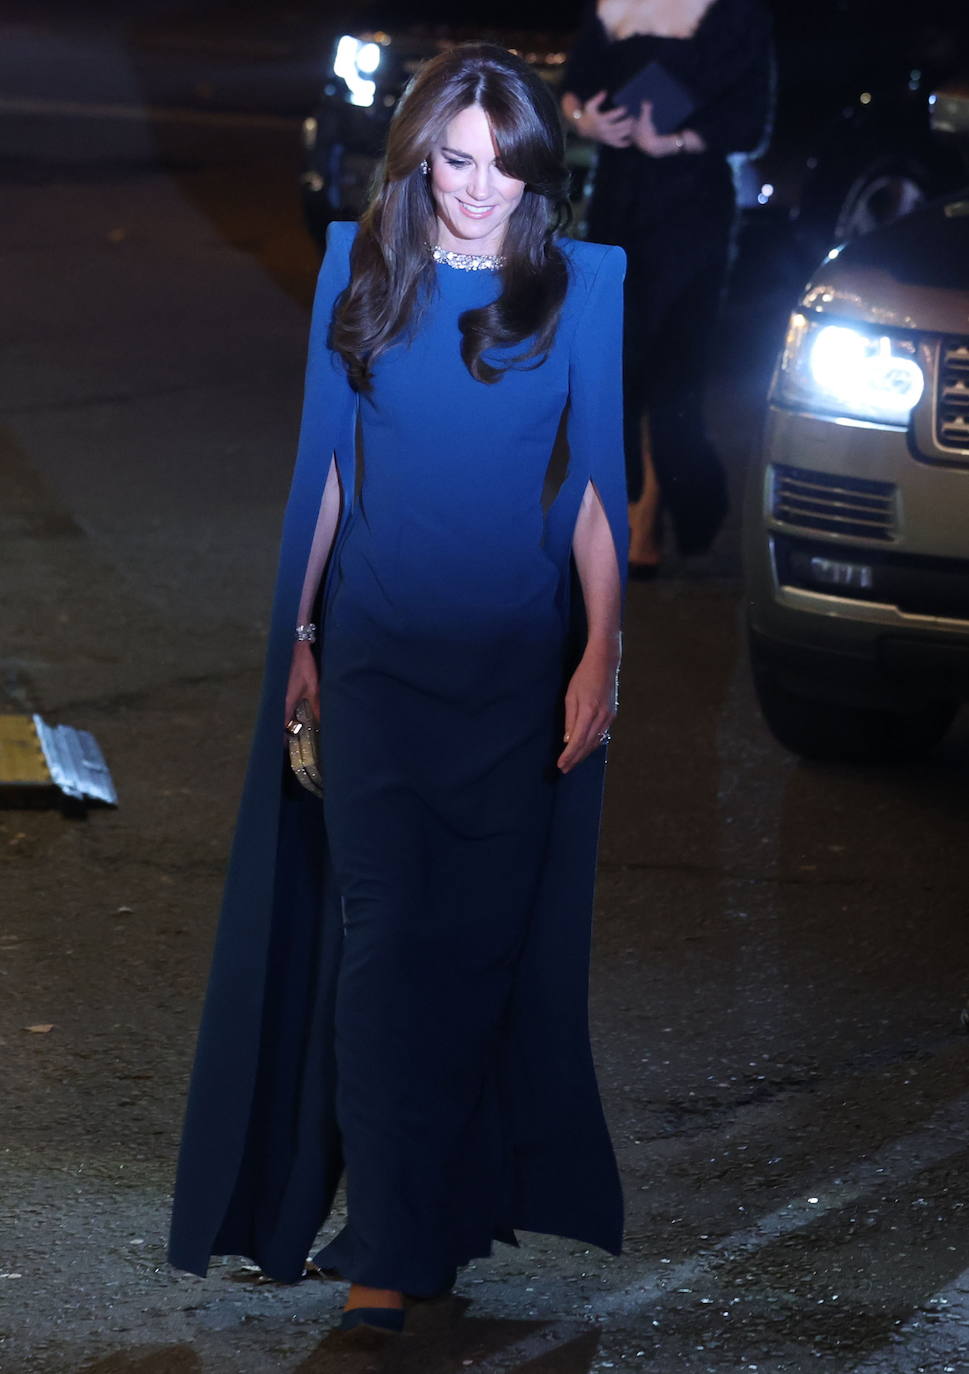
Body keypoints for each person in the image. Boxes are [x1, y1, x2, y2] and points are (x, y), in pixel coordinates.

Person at [168, 43, 628, 1335]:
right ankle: (385, 1242)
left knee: (469, 958)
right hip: (374, 659)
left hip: (514, 674)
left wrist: (601, 651)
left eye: (501, 165)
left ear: (537, 170)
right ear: (421, 158)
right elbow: (326, 469)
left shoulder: (584, 288)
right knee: (380, 946)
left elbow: (594, 489)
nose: (476, 189)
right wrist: (300, 630)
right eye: (452, 161)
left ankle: (420, 1216)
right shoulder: (357, 272)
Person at [561, 0, 773, 575]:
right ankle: (618, 511)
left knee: (670, 373)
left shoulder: (735, 17)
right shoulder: (612, 7)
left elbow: (752, 124)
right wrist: (586, 121)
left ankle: (651, 520)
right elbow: (575, 88)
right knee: (615, 364)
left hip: (692, 210)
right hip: (618, 202)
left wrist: (674, 142)